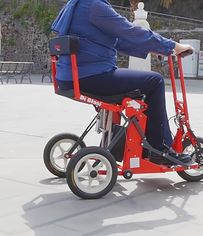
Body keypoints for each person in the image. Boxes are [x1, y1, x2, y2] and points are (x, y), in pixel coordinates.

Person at [52, 0, 194, 164]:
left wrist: (153, 49)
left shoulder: (75, 5)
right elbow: (131, 32)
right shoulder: (95, 6)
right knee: (154, 81)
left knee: (140, 83)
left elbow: (114, 41)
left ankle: (127, 146)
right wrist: (172, 46)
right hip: (92, 77)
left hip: (70, 78)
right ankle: (158, 149)